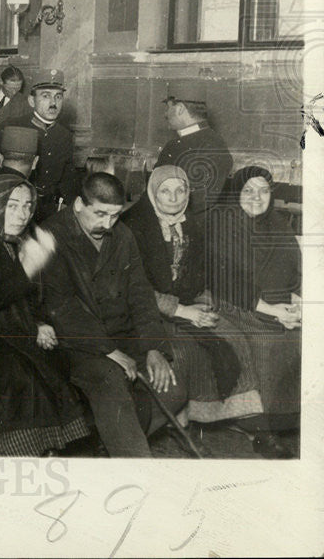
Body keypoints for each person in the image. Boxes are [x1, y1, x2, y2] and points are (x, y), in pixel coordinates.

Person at [0, 174, 90, 455]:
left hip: (5, 331)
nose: (22, 215)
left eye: (27, 206)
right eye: (12, 206)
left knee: (51, 367)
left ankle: (44, 452)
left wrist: (38, 322)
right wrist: (24, 271)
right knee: (18, 379)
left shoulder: (9, 238)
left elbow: (28, 298)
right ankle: (16, 453)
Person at [41, 172, 185, 457]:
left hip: (122, 336)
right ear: (79, 204)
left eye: (116, 215)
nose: (107, 225)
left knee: (172, 381)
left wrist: (154, 348)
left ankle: (112, 445)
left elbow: (141, 295)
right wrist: (109, 350)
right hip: (76, 343)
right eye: (100, 214)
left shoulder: (123, 235)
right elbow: (60, 306)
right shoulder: (50, 235)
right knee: (110, 379)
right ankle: (135, 466)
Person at [121, 166, 263, 447]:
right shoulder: (132, 226)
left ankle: (241, 420)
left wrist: (204, 304)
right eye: (165, 191)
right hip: (143, 311)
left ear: (188, 193)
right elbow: (133, 289)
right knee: (184, 350)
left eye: (180, 190)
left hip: (187, 304)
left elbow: (203, 273)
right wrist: (183, 312)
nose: (173, 198)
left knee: (232, 335)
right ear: (152, 193)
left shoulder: (193, 224)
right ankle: (182, 419)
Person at [205, 167, 301, 457]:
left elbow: (295, 269)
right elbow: (224, 283)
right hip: (232, 303)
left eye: (264, 190)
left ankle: (290, 420)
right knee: (269, 339)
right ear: (236, 193)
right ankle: (262, 428)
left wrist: (298, 300)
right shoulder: (223, 225)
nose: (257, 197)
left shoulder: (278, 223)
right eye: (248, 190)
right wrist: (273, 311)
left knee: (301, 334)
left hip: (276, 302)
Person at [0, 68, 76, 222]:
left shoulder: (65, 135)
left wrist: (67, 206)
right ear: (31, 100)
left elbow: (67, 178)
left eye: (58, 97)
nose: (53, 103)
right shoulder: (11, 127)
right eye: (45, 96)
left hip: (49, 212)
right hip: (15, 208)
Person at [156, 80, 233, 213]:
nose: (165, 114)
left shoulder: (175, 146)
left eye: (168, 108)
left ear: (180, 109)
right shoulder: (216, 142)